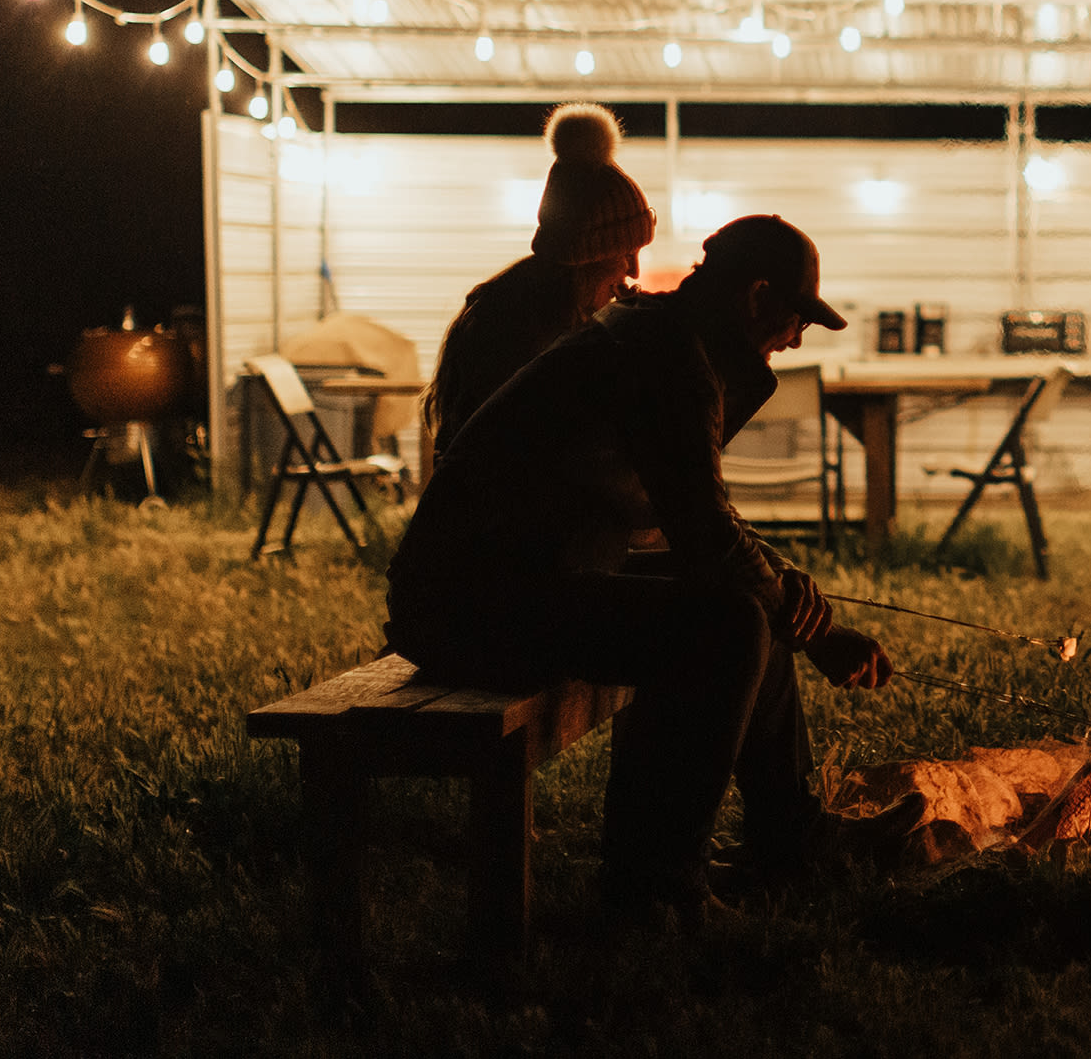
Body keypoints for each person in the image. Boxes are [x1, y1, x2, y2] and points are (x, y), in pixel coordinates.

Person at [386, 215, 919, 917]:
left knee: (746, 598)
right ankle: (654, 886)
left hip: (504, 587)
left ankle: (790, 836)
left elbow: (700, 517)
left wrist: (778, 581)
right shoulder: (666, 359)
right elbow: (704, 531)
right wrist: (818, 634)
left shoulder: (662, 339)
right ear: (758, 297)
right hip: (464, 608)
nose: (794, 341)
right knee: (725, 621)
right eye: (797, 322)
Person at [424, 103, 655, 456]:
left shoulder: (523, 309)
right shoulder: (524, 336)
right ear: (588, 254)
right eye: (626, 253)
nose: (634, 272)